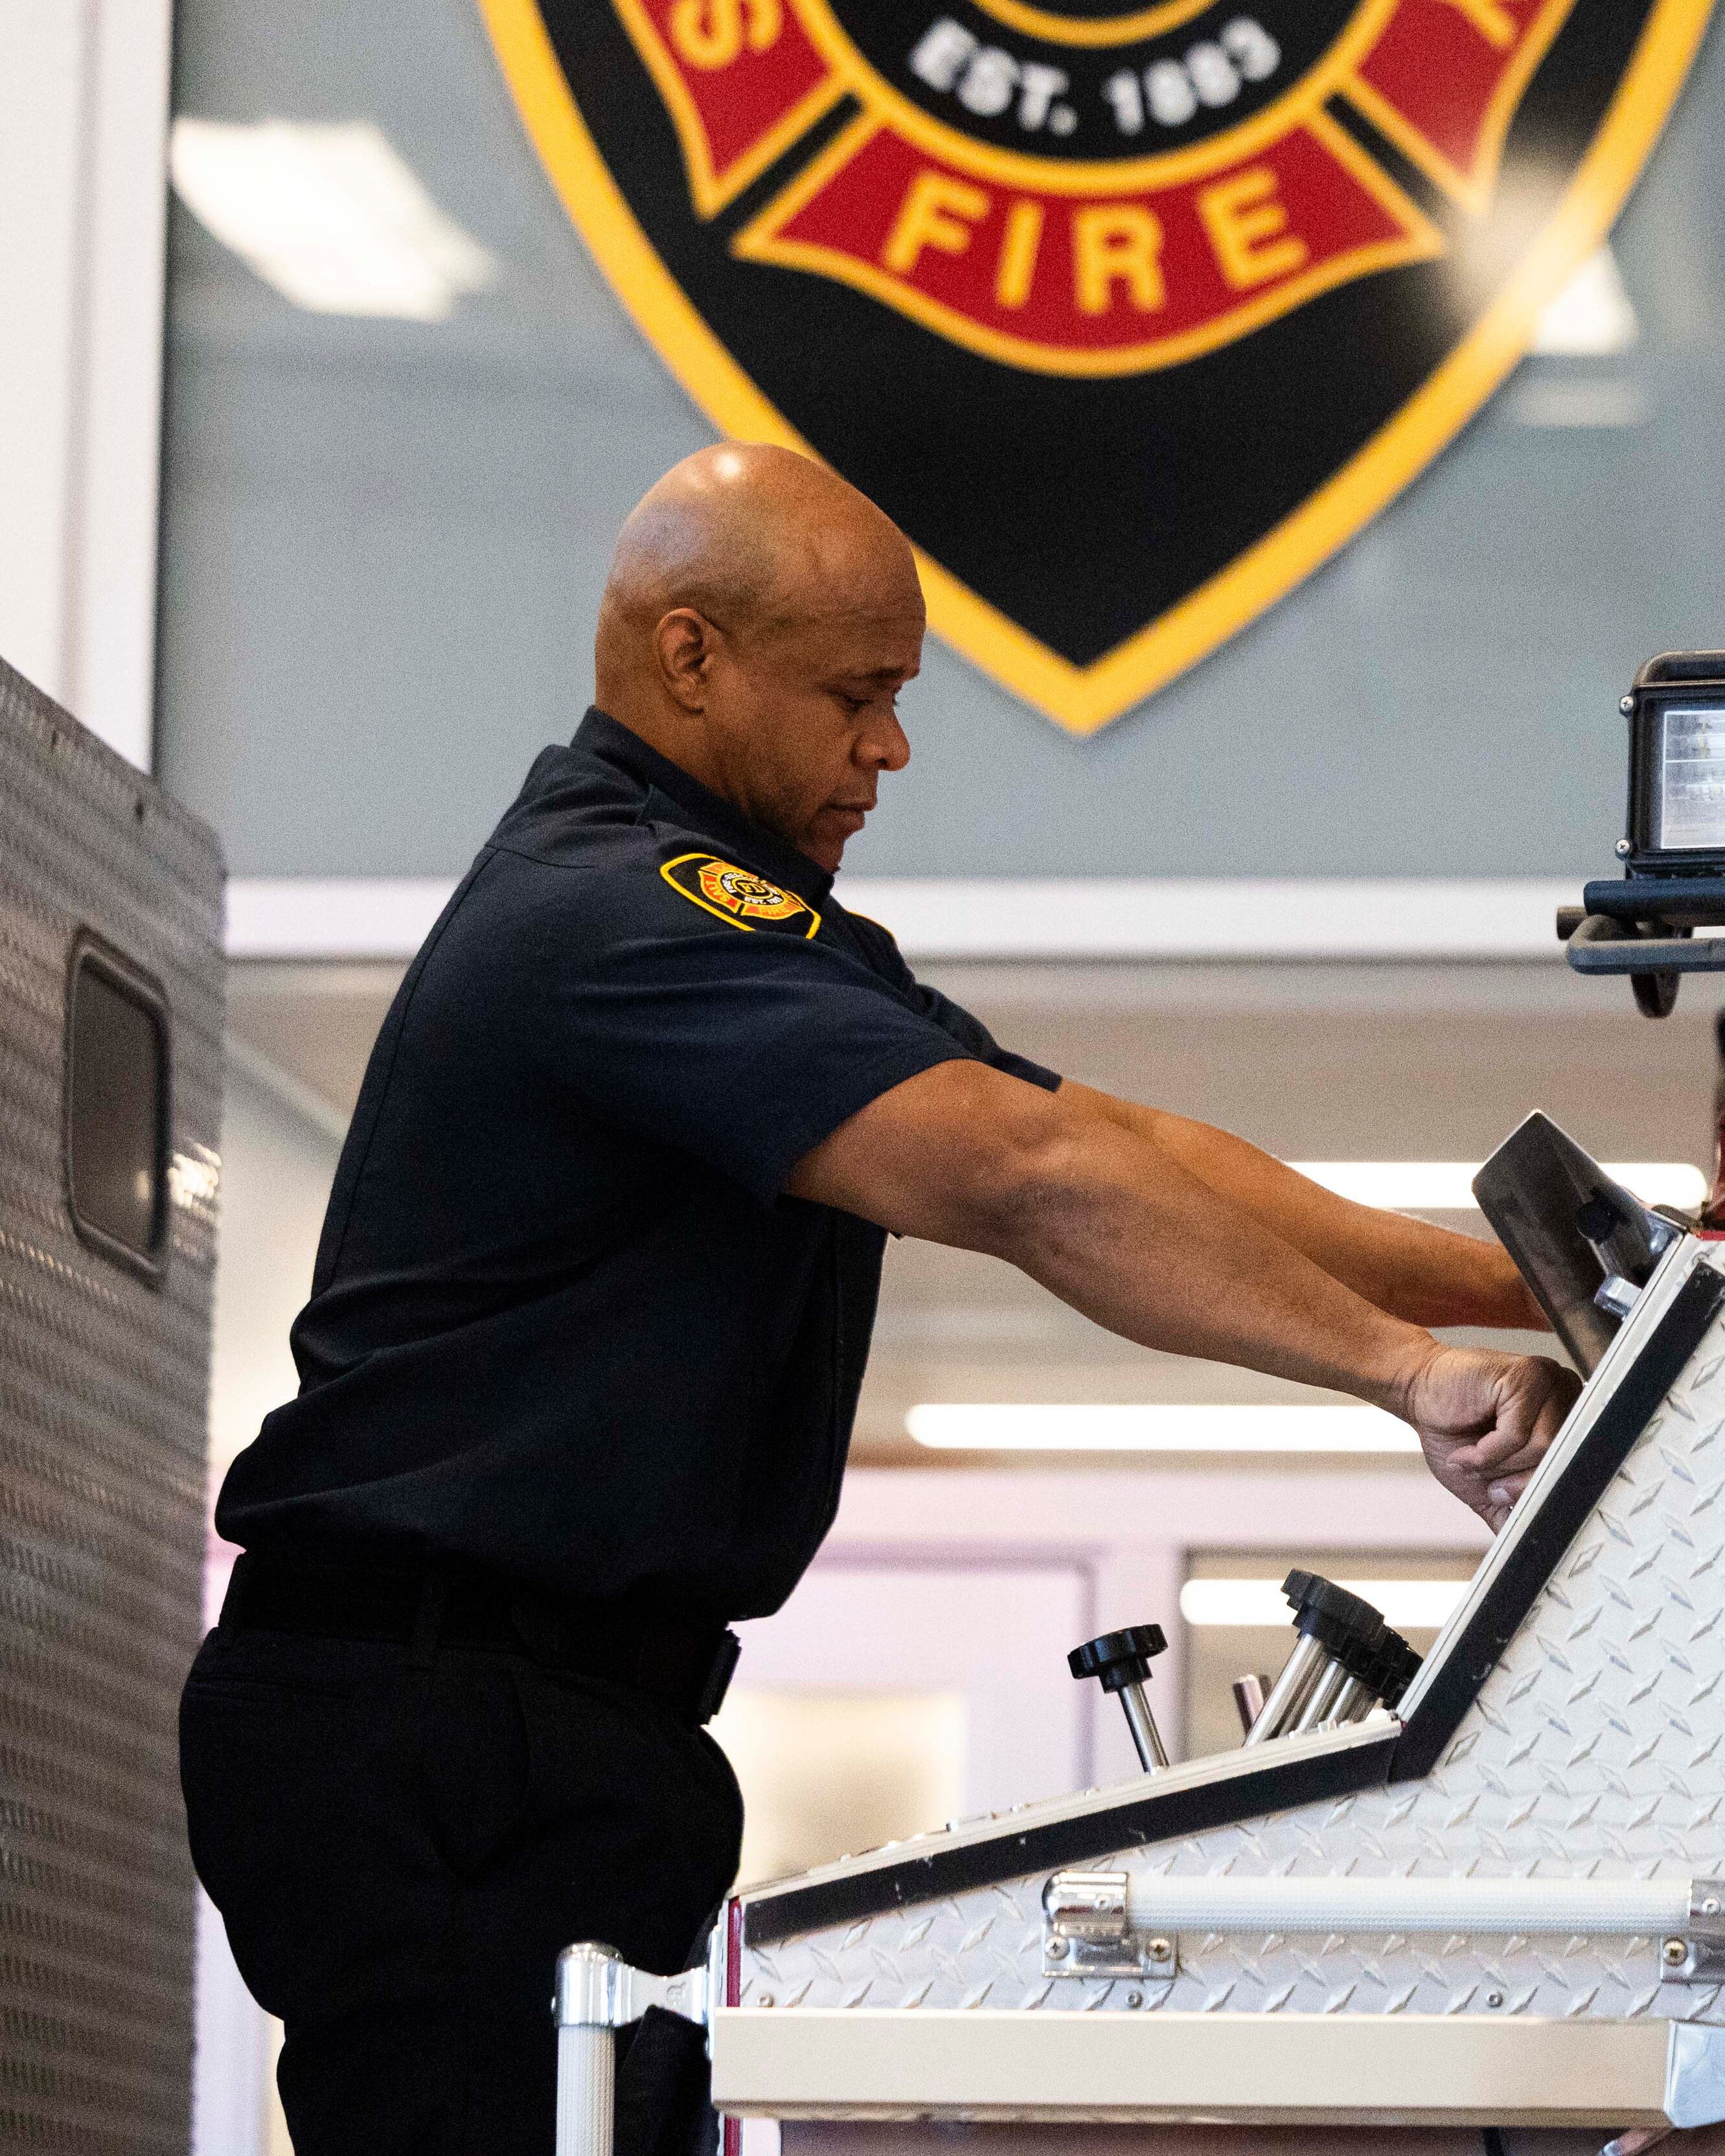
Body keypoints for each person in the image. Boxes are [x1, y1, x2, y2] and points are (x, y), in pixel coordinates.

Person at [179, 443, 1579, 2153]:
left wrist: (1548, 1285)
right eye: (857, 694)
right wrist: (1407, 1373)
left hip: (554, 1721)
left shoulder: (750, 927)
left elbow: (1108, 1144)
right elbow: (1024, 1182)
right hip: (443, 1729)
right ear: (693, 659)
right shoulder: (618, 922)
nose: (891, 746)